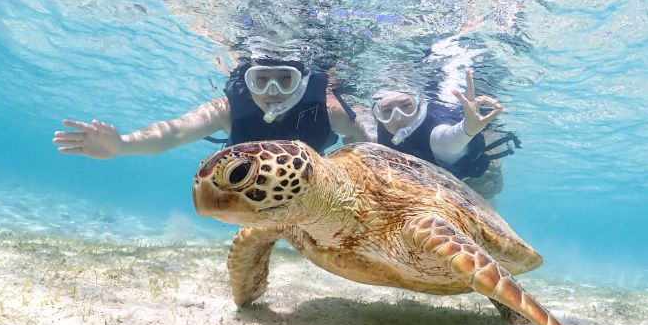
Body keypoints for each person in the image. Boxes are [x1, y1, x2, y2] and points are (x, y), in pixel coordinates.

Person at [53, 58, 370, 159]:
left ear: (301, 81)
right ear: (247, 81)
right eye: (260, 80)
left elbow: (363, 149)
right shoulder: (227, 111)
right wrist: (123, 144)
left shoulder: (330, 110)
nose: (272, 91)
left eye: (284, 80)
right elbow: (175, 133)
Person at [373, 68, 519, 199]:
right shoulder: (380, 126)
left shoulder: (435, 133)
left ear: (418, 105)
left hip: (465, 164)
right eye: (387, 110)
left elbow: (446, 142)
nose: (398, 116)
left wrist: (466, 130)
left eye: (406, 105)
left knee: (488, 187)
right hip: (430, 176)